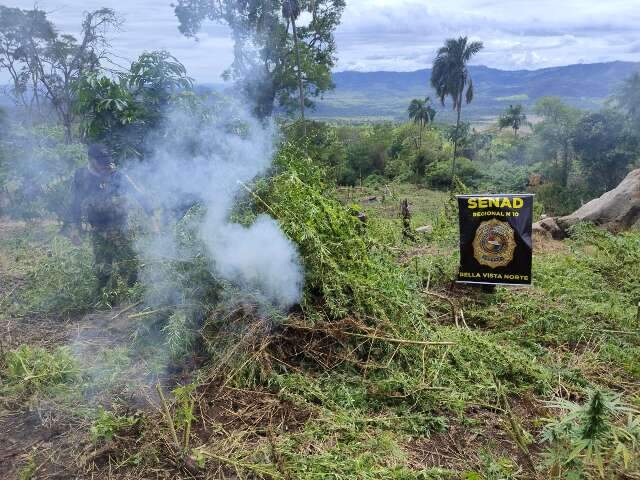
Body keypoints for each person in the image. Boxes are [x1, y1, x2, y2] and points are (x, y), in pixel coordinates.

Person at [68, 143, 155, 293]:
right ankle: (104, 296)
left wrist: (153, 219)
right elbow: (75, 203)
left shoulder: (117, 175)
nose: (105, 166)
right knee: (103, 267)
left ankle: (133, 294)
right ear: (91, 160)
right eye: (101, 162)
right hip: (97, 227)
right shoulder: (81, 176)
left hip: (120, 225)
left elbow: (140, 196)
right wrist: (75, 229)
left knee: (129, 264)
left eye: (107, 161)